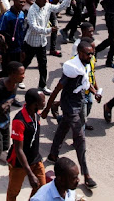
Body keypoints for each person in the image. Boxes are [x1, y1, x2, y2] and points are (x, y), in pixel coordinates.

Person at [42, 40, 99, 189]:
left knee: (62, 129)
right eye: (88, 54)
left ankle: (53, 155)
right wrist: (47, 108)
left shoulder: (84, 66)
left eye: (92, 53)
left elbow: (86, 83)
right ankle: (86, 175)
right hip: (70, 107)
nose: (91, 56)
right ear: (80, 53)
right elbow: (57, 89)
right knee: (80, 139)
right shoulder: (71, 69)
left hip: (79, 104)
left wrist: (94, 92)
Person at [24, 0, 70, 92]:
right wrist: (49, 30)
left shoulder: (47, 6)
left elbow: (59, 7)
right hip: (31, 43)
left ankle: (42, 85)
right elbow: (34, 27)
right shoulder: (32, 10)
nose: (46, 0)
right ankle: (18, 79)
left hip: (42, 43)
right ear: (38, 0)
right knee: (26, 62)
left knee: (43, 65)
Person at [7, 88, 47, 201]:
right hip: (19, 164)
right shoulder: (19, 121)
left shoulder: (36, 113)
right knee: (13, 193)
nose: (44, 102)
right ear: (35, 104)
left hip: (36, 159)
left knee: (41, 189)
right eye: (43, 101)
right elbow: (18, 150)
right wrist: (30, 174)